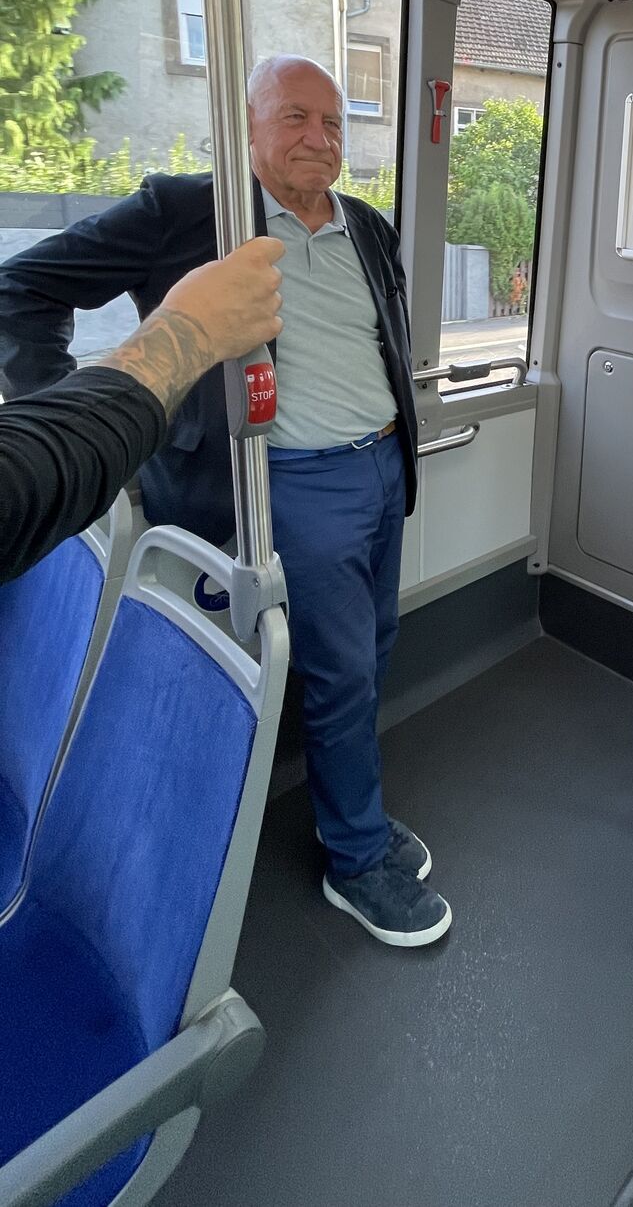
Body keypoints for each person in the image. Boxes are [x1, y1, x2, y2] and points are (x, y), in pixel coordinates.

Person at [0, 55, 450, 950]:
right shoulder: (186, 213)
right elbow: (23, 288)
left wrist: (397, 450)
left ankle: (344, 813)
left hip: (382, 469)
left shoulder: (366, 226)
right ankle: (357, 861)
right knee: (342, 673)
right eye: (293, 118)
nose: (319, 138)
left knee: (375, 647)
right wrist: (105, 437)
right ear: (246, 128)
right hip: (295, 486)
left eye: (332, 121)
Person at [1, 236, 283, 587]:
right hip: (226, 481)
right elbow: (19, 287)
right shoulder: (182, 208)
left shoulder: (360, 222)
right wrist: (190, 332)